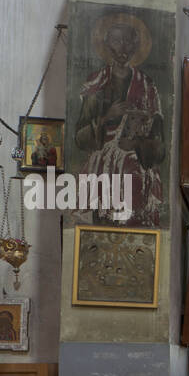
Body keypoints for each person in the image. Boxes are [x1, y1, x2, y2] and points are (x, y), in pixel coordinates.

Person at [74, 17, 165, 225]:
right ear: (106, 45)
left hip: (135, 164)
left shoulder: (147, 87)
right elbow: (80, 138)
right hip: (102, 166)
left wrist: (140, 142)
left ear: (135, 47)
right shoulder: (96, 83)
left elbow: (159, 145)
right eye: (117, 41)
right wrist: (107, 117)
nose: (123, 47)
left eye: (128, 42)